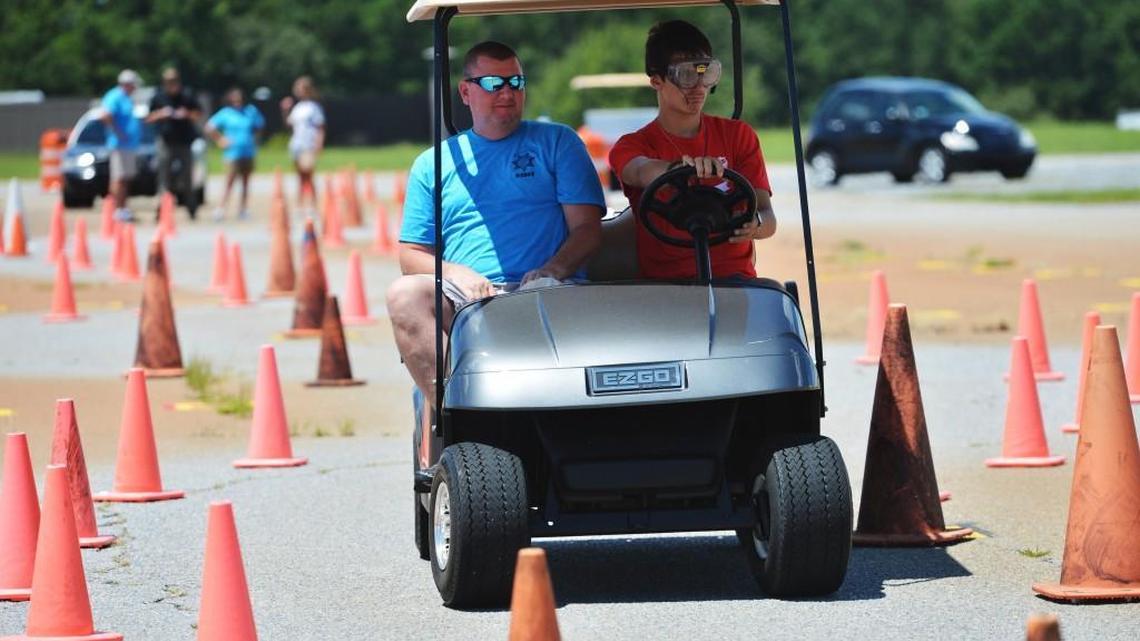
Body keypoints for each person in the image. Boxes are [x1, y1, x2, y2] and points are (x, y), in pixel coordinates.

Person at [385, 41, 605, 406]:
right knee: (403, 295)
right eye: (493, 84)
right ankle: (453, 413)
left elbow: (588, 230)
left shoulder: (558, 142)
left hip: (547, 287)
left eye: (516, 83)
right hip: (468, 294)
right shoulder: (432, 163)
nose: (507, 93)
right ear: (466, 91)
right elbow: (411, 255)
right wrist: (456, 274)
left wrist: (552, 269)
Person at [609, 20, 777, 281]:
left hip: (734, 280)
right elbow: (638, 170)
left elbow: (767, 218)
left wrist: (754, 224)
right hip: (667, 288)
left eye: (705, 73)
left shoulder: (738, 135)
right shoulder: (632, 145)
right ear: (656, 80)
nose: (699, 87)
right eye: (686, 76)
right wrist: (676, 169)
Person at [146, 67, 202, 220]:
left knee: (187, 177)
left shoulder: (187, 95)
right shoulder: (158, 97)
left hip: (184, 142)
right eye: (168, 82)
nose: (172, 84)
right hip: (165, 142)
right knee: (164, 177)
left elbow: (198, 114)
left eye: (174, 81)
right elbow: (148, 118)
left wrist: (187, 114)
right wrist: (161, 114)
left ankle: (191, 208)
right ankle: (162, 210)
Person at [205, 88, 265, 221]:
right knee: (229, 181)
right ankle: (221, 208)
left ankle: (243, 209)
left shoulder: (250, 111)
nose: (237, 102)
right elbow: (209, 127)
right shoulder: (226, 113)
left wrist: (253, 138)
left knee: (245, 182)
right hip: (232, 153)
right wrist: (220, 139)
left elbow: (259, 125)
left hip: (248, 151)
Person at [100, 69, 144, 222]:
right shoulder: (115, 96)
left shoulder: (128, 98)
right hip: (119, 145)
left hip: (128, 145)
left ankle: (123, 208)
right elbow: (106, 115)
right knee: (118, 178)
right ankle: (116, 209)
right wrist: (117, 132)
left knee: (125, 178)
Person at [279, 76, 325, 214]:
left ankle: (312, 204)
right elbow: (289, 124)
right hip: (296, 145)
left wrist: (319, 144)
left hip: (308, 145)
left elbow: (320, 127)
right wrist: (284, 110)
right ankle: (300, 205)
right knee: (300, 177)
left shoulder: (314, 107)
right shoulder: (297, 107)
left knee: (308, 176)